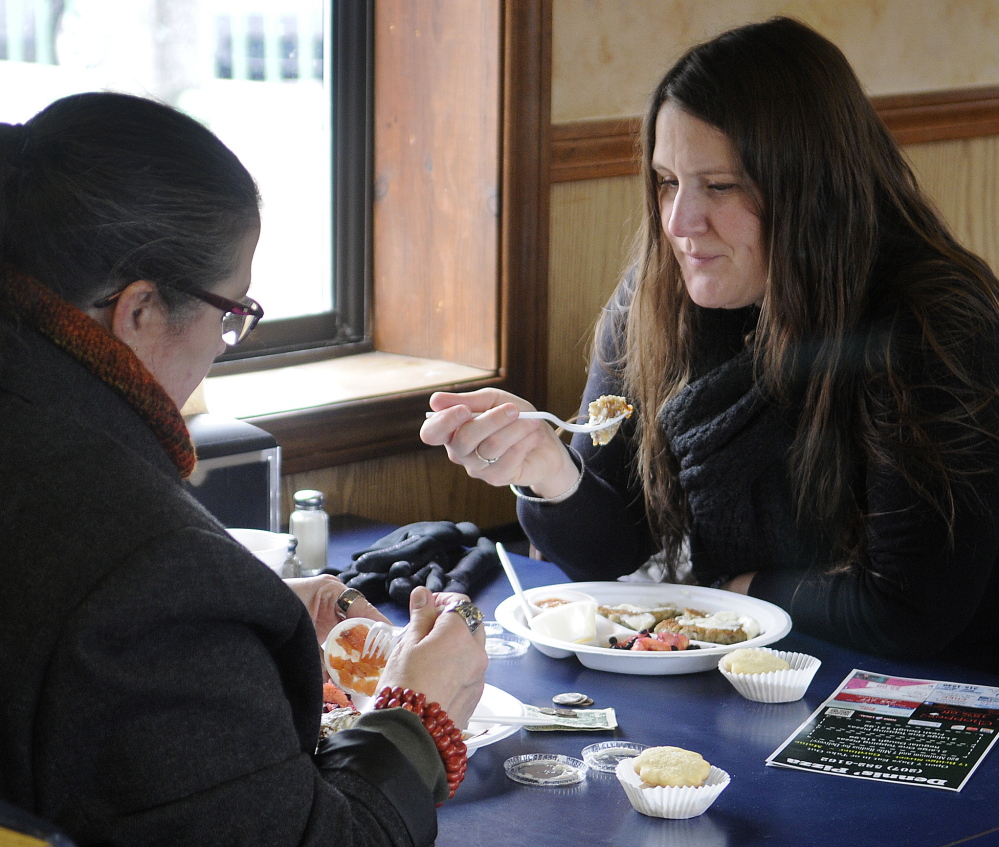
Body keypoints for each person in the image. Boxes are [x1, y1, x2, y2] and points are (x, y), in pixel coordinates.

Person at [421, 17, 999, 674]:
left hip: (948, 685)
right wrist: (545, 470)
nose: (677, 223)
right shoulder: (661, 293)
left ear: (810, 189)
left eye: (718, 186)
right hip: (758, 668)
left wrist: (727, 596)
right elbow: (608, 551)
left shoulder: (933, 320)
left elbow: (910, 607)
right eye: (666, 181)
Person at [0, 91, 487, 847]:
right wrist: (418, 720)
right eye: (231, 315)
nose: (227, 341)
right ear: (137, 311)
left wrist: (240, 632)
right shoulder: (154, 579)